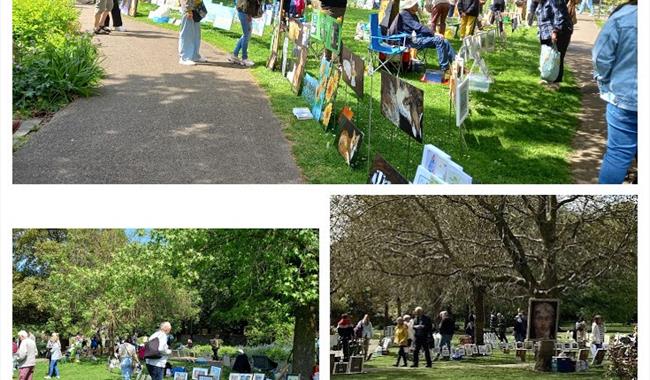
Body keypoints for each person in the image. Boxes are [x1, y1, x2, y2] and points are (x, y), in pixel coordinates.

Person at [593, 0, 637, 184]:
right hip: (626, 97)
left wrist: (603, 79)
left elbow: (601, 57)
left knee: (618, 154)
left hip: (626, 97)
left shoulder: (624, 17)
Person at [388, 0, 456, 72]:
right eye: (415, 4)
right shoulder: (404, 14)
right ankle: (444, 68)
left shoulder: (413, 15)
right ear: (410, 6)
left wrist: (432, 35)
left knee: (444, 41)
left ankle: (456, 64)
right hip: (409, 41)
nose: (417, 5)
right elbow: (418, 27)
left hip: (416, 38)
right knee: (439, 40)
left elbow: (419, 30)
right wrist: (434, 34)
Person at [536, 0, 573, 87]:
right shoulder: (542, 2)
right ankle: (547, 77)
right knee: (547, 55)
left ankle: (555, 82)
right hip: (546, 32)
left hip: (560, 32)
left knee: (557, 57)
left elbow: (560, 15)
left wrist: (555, 31)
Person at [228, 0, 260, 67]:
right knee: (246, 35)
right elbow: (248, 2)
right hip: (245, 12)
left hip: (243, 11)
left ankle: (234, 55)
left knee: (246, 34)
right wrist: (249, 14)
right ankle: (244, 58)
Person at [178, 0, 208, 66]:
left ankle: (194, 56)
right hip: (189, 8)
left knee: (196, 34)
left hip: (196, 7)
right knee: (187, 34)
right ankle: (184, 58)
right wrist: (188, 9)